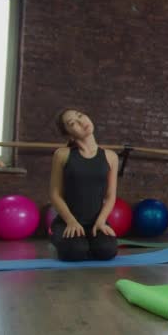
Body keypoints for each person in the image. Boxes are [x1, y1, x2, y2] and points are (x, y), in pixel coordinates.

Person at [49, 108, 118, 261]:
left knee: (107, 251)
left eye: (80, 116)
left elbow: (110, 196)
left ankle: (89, 240)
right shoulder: (62, 154)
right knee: (76, 252)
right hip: (68, 222)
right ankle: (58, 237)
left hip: (96, 222)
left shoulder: (110, 156)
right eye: (72, 123)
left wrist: (101, 221)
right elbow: (55, 194)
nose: (81, 122)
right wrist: (71, 221)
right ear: (69, 134)